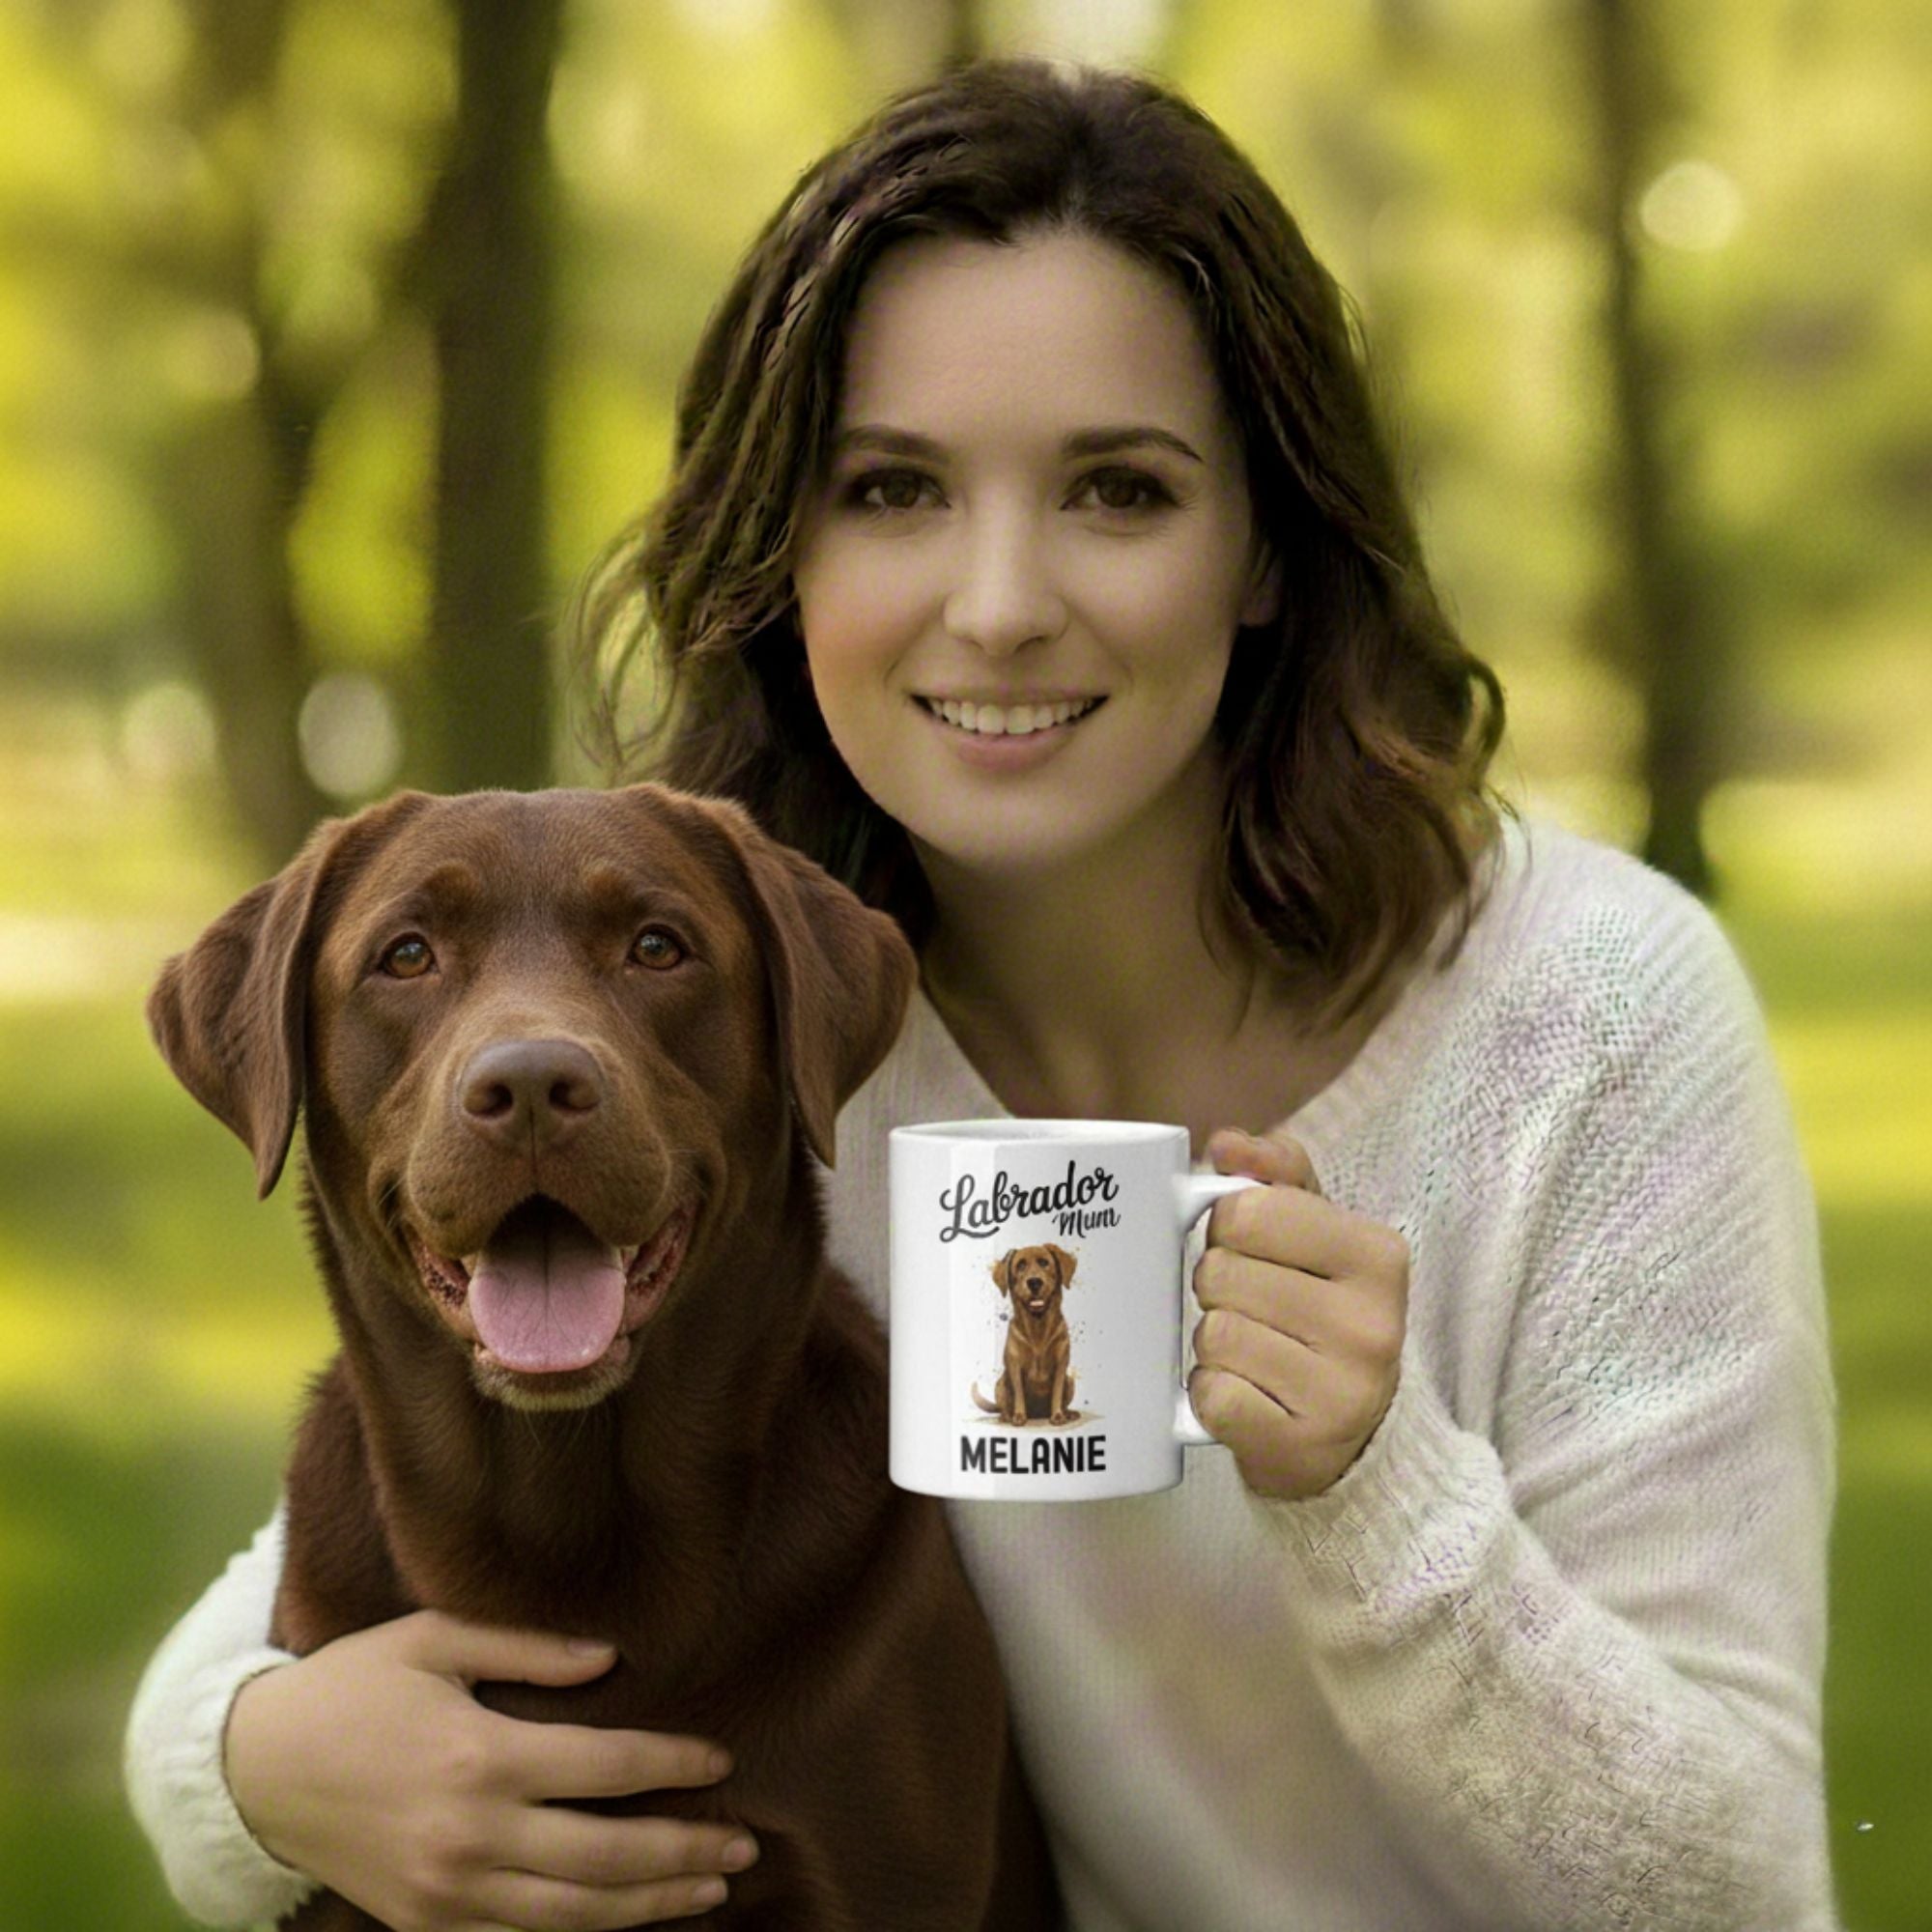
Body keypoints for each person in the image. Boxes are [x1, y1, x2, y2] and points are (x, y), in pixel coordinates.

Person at [125, 57, 1837, 1932]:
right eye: (893, 491)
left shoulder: (1580, 1022)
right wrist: (249, 1773)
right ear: (787, 555)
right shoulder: (741, 1027)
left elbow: (1734, 1882)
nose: (1002, 601)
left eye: (1118, 488)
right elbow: (276, 1625)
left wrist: (1373, 1492)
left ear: (1263, 545)